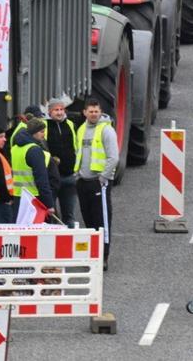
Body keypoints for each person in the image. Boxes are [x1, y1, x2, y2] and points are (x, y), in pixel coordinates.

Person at [75, 98, 119, 268]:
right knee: (88, 220)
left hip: (98, 182)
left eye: (96, 111)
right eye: (90, 111)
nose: (93, 114)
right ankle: (92, 254)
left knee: (102, 221)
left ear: (100, 112)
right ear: (84, 112)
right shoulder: (81, 130)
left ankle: (103, 257)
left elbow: (113, 157)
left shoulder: (106, 130)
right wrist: (78, 175)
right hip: (83, 181)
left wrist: (103, 177)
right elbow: (79, 153)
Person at [46, 97, 79, 227]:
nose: (59, 113)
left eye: (61, 109)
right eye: (56, 110)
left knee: (69, 216)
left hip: (69, 176)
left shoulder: (70, 125)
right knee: (51, 216)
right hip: (53, 178)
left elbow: (76, 147)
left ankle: (69, 242)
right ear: (49, 112)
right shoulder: (45, 126)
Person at [10, 117, 55, 215]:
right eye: (42, 131)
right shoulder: (34, 150)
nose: (44, 134)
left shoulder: (15, 148)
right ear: (34, 132)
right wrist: (49, 204)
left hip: (18, 195)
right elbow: (41, 179)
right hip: (33, 198)